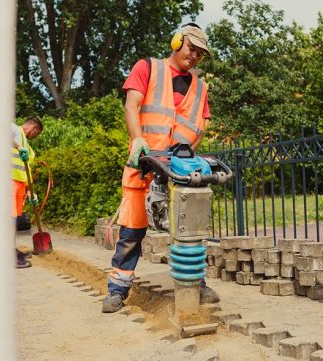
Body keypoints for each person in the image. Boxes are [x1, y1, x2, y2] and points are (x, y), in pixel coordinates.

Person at [102, 23, 220, 313]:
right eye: (191, 49)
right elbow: (132, 106)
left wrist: (190, 155)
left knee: (189, 228)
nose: (194, 57)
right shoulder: (148, 68)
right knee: (131, 230)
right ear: (177, 41)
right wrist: (137, 140)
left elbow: (200, 125)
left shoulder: (201, 87)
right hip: (144, 162)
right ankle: (118, 288)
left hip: (181, 168)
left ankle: (196, 283)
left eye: (200, 54)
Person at [12, 117, 43, 268]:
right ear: (33, 126)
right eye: (36, 133)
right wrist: (18, 147)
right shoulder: (14, 129)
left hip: (20, 187)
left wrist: (31, 193)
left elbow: (26, 171)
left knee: (13, 220)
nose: (34, 136)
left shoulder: (29, 149)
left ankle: (12, 250)